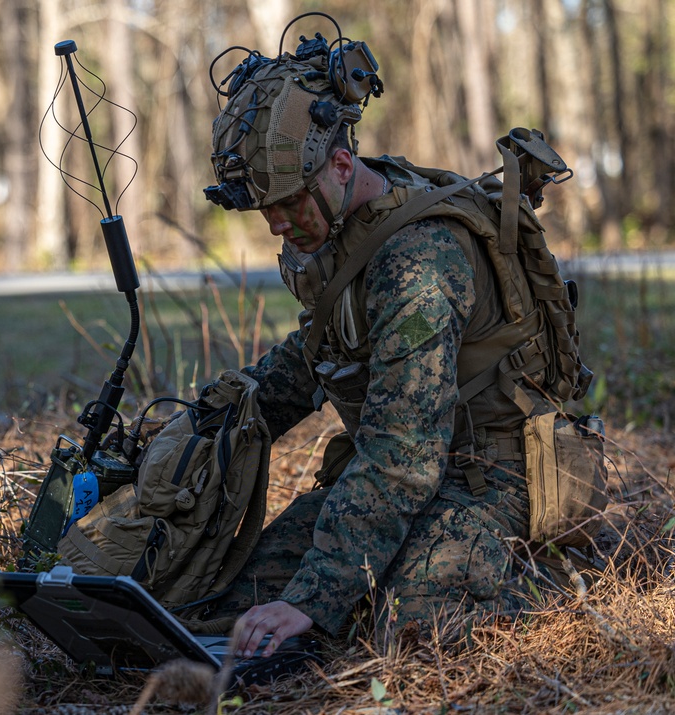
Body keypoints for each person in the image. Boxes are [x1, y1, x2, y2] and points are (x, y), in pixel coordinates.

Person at [201, 19, 579, 659]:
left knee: (409, 631)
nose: (276, 226)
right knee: (228, 607)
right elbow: (321, 351)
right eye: (265, 210)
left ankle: (555, 577)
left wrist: (310, 602)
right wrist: (219, 417)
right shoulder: (341, 225)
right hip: (407, 463)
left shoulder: (418, 260)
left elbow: (403, 455)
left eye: (289, 204)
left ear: (342, 164)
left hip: (495, 474)